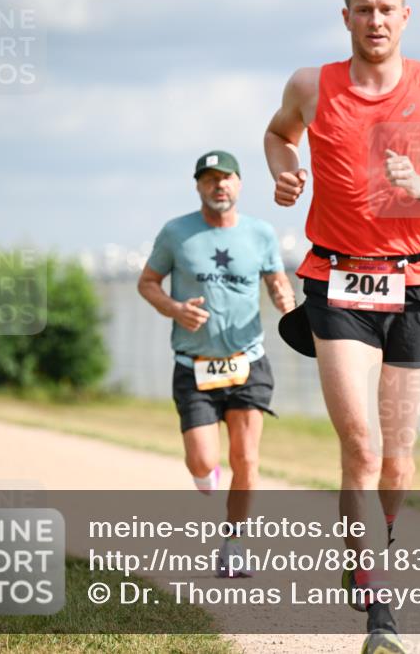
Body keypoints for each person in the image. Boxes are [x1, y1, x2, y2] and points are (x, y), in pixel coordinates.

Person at [265, 0, 420, 650]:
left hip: (413, 285)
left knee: (398, 459)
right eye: (364, 8)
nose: (376, 19)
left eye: (387, 8)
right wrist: (285, 172)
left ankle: (377, 549)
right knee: (360, 446)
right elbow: (278, 134)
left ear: (405, 16)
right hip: (335, 282)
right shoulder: (311, 85)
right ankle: (378, 602)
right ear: (347, 17)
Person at [138, 150, 295, 577]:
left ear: (239, 183)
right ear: (198, 186)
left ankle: (234, 543)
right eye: (209, 179)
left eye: (226, 178)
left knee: (247, 458)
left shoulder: (260, 233)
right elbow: (147, 283)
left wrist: (284, 297)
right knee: (202, 462)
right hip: (194, 365)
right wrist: (175, 309)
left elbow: (276, 278)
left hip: (248, 361)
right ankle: (206, 470)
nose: (219, 185)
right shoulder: (176, 233)